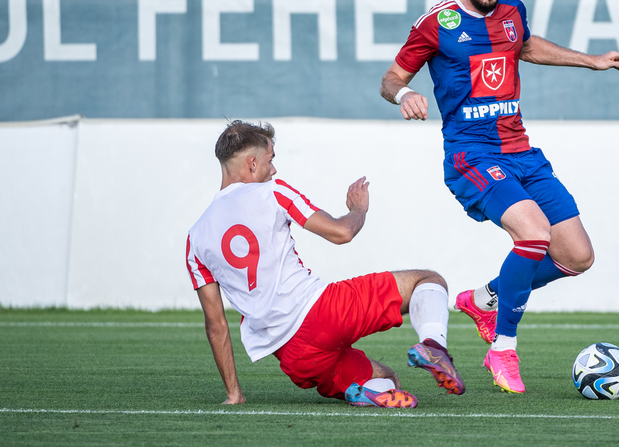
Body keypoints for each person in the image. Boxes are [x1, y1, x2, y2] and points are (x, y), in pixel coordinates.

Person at [379, 0, 619, 394]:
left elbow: (525, 46)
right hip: (471, 155)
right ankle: (502, 348)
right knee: (534, 233)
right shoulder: (436, 23)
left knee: (578, 256)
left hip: (522, 153)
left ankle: (485, 298)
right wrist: (405, 94)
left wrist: (592, 61)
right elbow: (391, 78)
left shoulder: (512, 11)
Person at [185, 120, 464, 408]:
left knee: (387, 378)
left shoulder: (195, 238)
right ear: (253, 163)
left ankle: (364, 393)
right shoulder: (272, 192)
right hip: (322, 313)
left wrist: (234, 394)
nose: (274, 169)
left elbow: (216, 326)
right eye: (270, 160)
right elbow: (342, 233)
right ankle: (434, 346)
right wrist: (359, 208)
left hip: (293, 355)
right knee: (427, 281)